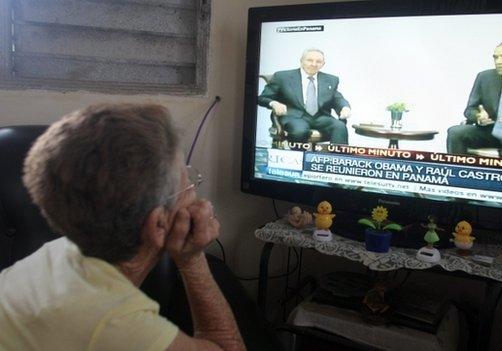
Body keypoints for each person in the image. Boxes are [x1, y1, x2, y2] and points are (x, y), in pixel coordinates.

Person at [0, 104, 246, 351]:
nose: (194, 193)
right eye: (187, 182)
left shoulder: (56, 253)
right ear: (158, 224)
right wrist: (192, 260)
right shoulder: (117, 326)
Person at [258, 48, 351, 144]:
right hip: (293, 116)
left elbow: (337, 98)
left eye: (318, 61)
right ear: (301, 61)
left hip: (320, 117)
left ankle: (337, 158)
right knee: (299, 131)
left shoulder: (330, 79)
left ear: (323, 64)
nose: (314, 64)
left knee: (340, 127)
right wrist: (273, 103)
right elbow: (262, 98)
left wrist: (345, 107)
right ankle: (299, 158)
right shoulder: (282, 77)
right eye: (310, 60)